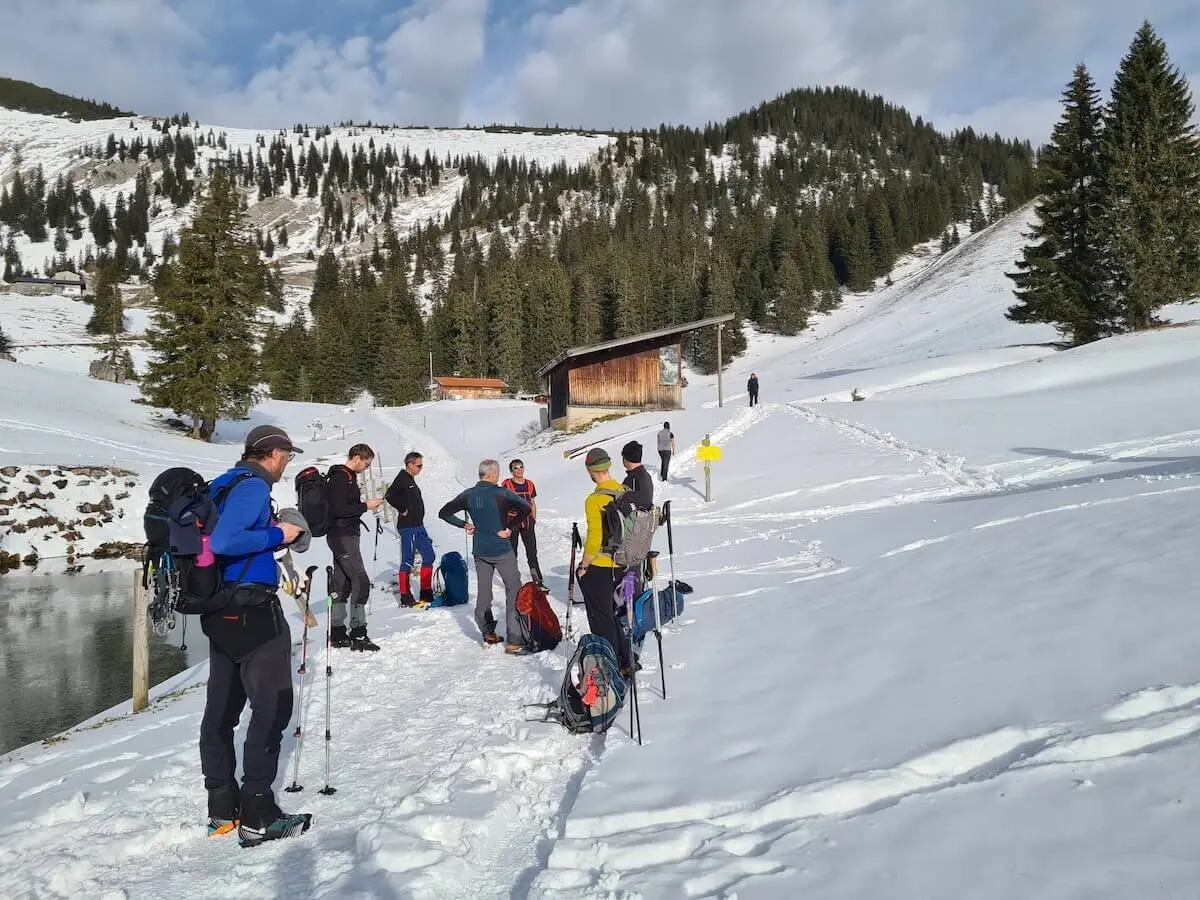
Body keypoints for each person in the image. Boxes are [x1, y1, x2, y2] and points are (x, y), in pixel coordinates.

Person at [202, 424, 311, 847]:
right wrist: (278, 535)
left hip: (220, 610)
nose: (288, 462)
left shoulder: (222, 485)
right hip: (251, 611)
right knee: (273, 707)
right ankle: (258, 814)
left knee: (222, 710)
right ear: (274, 452)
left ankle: (221, 811)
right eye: (288, 454)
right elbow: (229, 539)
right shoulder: (251, 486)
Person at [438, 459, 531, 653]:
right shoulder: (501, 493)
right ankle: (514, 640)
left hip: (480, 551)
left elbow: (444, 512)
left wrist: (463, 525)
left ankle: (488, 633)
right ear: (494, 474)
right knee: (514, 590)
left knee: (484, 593)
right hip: (502, 550)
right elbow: (526, 508)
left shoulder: (468, 494)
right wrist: (510, 528)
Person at [575, 447, 635, 675]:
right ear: (608, 466)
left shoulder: (594, 499)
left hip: (601, 567)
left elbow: (594, 537)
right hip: (624, 564)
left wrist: (584, 565)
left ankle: (610, 664)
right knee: (618, 615)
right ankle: (626, 659)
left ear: (591, 470)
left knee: (602, 618)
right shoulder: (625, 491)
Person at [326, 443, 385, 651]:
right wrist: (365, 506)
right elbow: (339, 508)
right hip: (342, 536)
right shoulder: (341, 478)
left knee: (342, 583)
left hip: (343, 534)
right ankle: (359, 633)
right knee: (360, 579)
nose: (366, 469)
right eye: (366, 464)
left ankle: (338, 632)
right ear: (356, 457)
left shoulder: (345, 477)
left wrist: (362, 506)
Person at [385, 451, 436, 608]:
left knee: (429, 556)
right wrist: (402, 509)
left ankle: (426, 591)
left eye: (421, 465)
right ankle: (405, 596)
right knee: (408, 560)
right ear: (410, 465)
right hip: (409, 527)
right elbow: (389, 495)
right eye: (419, 465)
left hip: (418, 525)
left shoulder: (409, 479)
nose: (421, 468)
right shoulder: (402, 479)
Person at [501, 458, 543, 587]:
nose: (519, 470)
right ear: (511, 471)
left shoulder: (530, 484)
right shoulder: (506, 484)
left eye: (521, 467)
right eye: (515, 468)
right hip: (512, 522)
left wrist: (534, 519)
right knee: (512, 552)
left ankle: (538, 581)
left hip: (528, 522)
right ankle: (512, 581)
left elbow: (533, 503)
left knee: (532, 552)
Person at [620, 440, 654, 511]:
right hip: (647, 518)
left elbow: (622, 502)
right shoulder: (646, 475)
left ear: (625, 459)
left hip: (637, 519)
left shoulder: (631, 480)